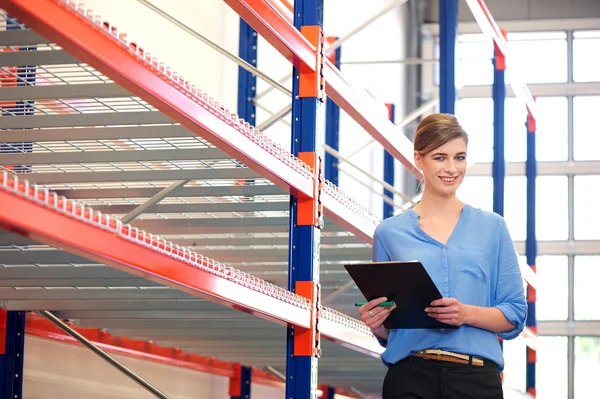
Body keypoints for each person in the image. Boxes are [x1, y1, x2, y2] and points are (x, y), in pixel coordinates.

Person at [357, 113, 527, 399]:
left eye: (459, 157)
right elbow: (392, 332)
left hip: (475, 382)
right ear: (418, 159)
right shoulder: (389, 233)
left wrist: (466, 313)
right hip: (409, 379)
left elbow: (515, 315)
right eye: (440, 157)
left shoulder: (492, 227)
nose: (452, 168)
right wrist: (378, 322)